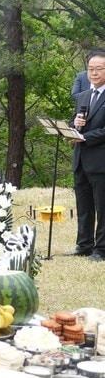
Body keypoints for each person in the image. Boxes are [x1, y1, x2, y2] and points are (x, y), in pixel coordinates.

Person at [71, 51, 105, 260]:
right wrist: (74, 126)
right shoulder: (82, 96)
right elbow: (72, 123)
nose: (93, 73)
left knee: (103, 208)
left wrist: (86, 137)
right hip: (80, 160)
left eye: (99, 69)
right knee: (83, 206)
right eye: (90, 69)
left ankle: (101, 249)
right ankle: (84, 245)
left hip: (101, 161)